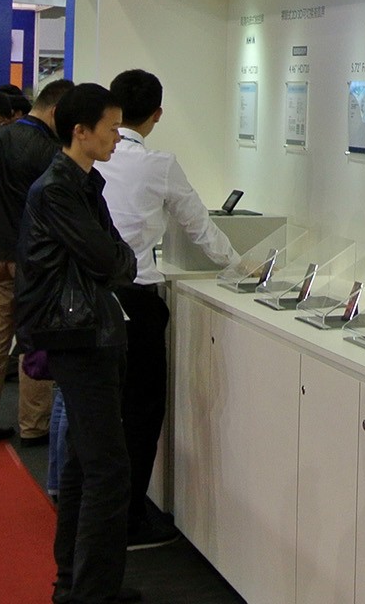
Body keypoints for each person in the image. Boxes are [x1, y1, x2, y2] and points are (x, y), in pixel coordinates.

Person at [100, 69, 239, 548]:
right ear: (157, 114)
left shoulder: (90, 159)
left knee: (101, 411)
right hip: (137, 297)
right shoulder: (158, 164)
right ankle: (129, 519)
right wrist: (240, 267)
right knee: (141, 413)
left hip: (95, 298)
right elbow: (199, 226)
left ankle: (90, 507)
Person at [19, 83, 137, 604]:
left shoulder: (84, 183)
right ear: (80, 131)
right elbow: (110, 259)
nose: (117, 138)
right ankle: (91, 590)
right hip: (77, 334)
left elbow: (119, 257)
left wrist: (115, 260)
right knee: (107, 469)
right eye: (111, 128)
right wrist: (114, 260)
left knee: (84, 464)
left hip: (89, 330)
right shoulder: (59, 189)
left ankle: (75, 581)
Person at [0, 79, 72, 446]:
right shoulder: (50, 151)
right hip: (34, 259)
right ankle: (34, 426)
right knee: (33, 338)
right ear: (56, 111)